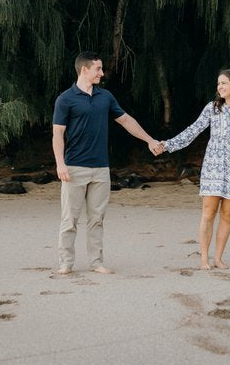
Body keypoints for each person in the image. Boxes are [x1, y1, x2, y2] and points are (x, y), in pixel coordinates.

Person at [52, 51, 161, 275]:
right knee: (69, 219)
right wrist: (60, 164)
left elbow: (126, 120)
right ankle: (66, 263)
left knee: (96, 219)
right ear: (84, 70)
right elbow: (57, 134)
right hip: (74, 168)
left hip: (101, 168)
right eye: (98, 69)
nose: (102, 73)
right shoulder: (65, 99)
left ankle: (96, 262)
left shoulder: (105, 97)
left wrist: (149, 140)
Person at [155, 69, 230, 270]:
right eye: (218, 83)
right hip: (214, 168)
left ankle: (218, 258)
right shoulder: (212, 108)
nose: (219, 87)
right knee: (208, 213)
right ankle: (204, 258)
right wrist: (167, 145)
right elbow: (192, 131)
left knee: (227, 215)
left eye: (223, 83)